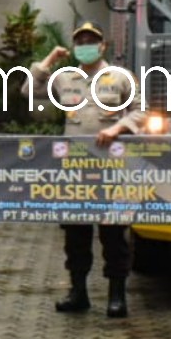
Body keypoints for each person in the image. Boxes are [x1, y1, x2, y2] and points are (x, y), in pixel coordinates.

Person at [23, 22, 144, 317]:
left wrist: (118, 128)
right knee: (75, 235)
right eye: (80, 41)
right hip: (74, 170)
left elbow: (141, 111)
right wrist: (50, 59)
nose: (86, 44)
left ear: (102, 46)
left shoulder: (120, 77)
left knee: (114, 234)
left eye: (91, 40)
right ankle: (78, 292)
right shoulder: (64, 78)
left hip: (112, 168)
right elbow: (28, 90)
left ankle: (117, 296)